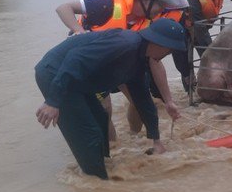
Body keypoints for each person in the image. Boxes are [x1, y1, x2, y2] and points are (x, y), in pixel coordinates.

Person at [34, 18, 185, 179]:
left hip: (77, 81)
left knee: (100, 121)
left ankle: (103, 174)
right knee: (89, 134)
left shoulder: (139, 60)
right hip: (55, 74)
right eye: (170, 50)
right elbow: (75, 59)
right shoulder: (125, 43)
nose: (168, 55)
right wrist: (53, 101)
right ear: (159, 44)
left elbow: (143, 100)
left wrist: (156, 141)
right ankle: (96, 180)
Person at [55, 0, 189, 138]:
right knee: (104, 110)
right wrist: (79, 32)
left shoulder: (147, 20)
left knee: (140, 104)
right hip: (93, 64)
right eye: (160, 5)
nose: (162, 10)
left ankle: (133, 139)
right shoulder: (106, 3)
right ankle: (111, 150)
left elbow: (154, 60)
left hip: (119, 62)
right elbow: (63, 8)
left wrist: (169, 101)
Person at [169, 0, 202, 91]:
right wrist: (187, 73)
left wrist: (187, 72)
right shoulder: (161, 3)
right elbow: (178, 48)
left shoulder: (179, 7)